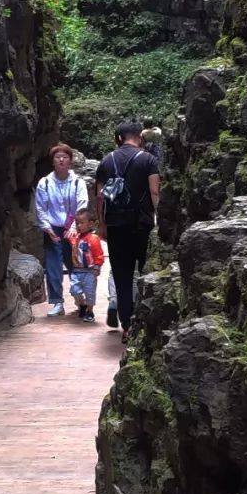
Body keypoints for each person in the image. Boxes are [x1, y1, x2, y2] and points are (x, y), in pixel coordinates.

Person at [96, 120, 160, 341]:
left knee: (122, 277)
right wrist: (160, 220)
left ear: (119, 138)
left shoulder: (106, 161)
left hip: (116, 226)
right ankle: (146, 323)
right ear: (139, 137)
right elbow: (154, 192)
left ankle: (127, 326)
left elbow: (100, 197)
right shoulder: (148, 160)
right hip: (142, 226)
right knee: (146, 273)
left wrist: (102, 225)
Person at [33, 141, 87, 316]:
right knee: (53, 267)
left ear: (70, 160)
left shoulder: (78, 182)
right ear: (53, 161)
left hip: (73, 229)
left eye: (65, 157)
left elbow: (82, 204)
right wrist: (46, 227)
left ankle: (79, 297)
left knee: (76, 264)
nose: (61, 160)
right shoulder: (45, 183)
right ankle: (57, 302)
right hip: (53, 230)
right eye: (58, 157)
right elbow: (41, 207)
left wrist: (75, 225)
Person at [67, 211, 105, 321]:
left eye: (82, 223)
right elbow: (67, 236)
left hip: (90, 271)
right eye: (77, 223)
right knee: (74, 290)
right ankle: (82, 305)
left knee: (90, 292)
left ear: (90, 224)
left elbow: (98, 254)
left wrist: (97, 266)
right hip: (77, 270)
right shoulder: (75, 237)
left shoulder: (94, 238)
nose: (79, 226)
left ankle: (90, 312)